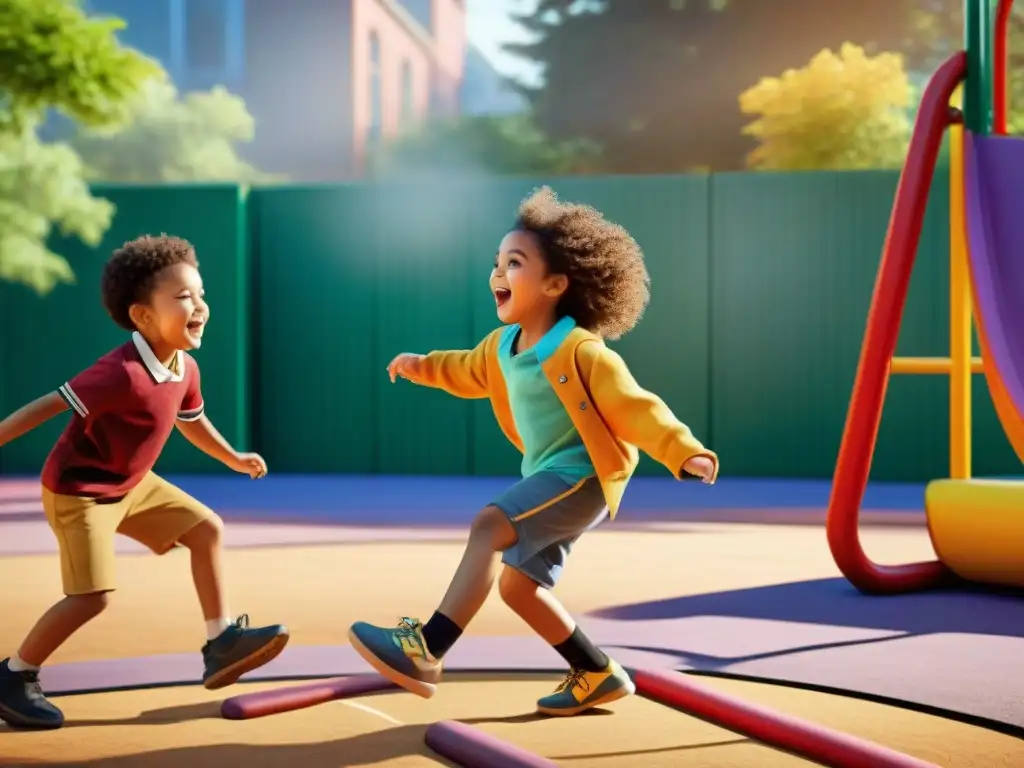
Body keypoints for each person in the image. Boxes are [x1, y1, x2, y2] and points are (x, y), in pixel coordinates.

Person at [348, 187, 718, 717]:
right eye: (496, 263)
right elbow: (460, 370)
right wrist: (419, 364)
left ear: (555, 284)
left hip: (584, 476)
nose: (498, 274)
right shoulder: (501, 349)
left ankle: (427, 647)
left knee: (489, 525)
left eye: (514, 263)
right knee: (519, 587)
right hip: (549, 475)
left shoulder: (581, 350)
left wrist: (684, 451)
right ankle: (595, 672)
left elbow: (635, 407)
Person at [0, 235, 288, 730]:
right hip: (81, 493)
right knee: (92, 596)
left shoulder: (184, 366)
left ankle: (220, 642)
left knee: (207, 529)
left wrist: (232, 457)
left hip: (133, 484)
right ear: (142, 317)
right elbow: (46, 406)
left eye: (200, 295)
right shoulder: (119, 374)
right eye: (183, 298)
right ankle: (13, 675)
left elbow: (191, 420)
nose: (199, 306)